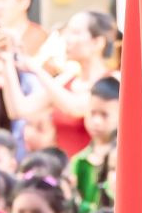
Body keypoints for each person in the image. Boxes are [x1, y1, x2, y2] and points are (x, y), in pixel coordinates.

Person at [30, 9, 118, 158]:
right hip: (64, 173)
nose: (67, 39)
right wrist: (6, 60)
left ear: (98, 42)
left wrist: (37, 69)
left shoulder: (114, 80)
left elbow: (75, 108)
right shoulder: (66, 79)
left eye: (75, 33)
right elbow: (20, 109)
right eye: (67, 32)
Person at [67, 76, 119, 212]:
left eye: (104, 115)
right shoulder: (79, 160)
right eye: (92, 113)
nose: (96, 121)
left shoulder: (121, 159)